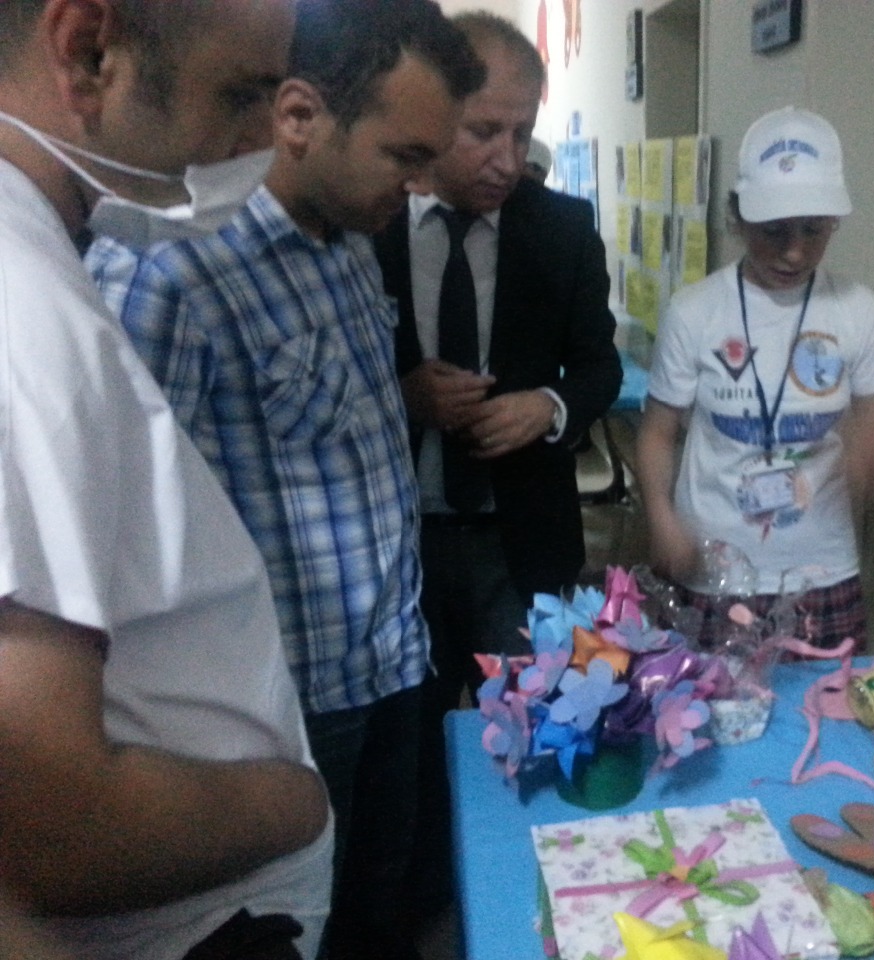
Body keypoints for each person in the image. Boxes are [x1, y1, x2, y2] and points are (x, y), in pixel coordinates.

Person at [86, 3, 485, 957]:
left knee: (382, 913)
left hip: (391, 662)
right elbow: (116, 547)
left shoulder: (347, 245)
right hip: (283, 712)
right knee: (302, 931)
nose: (420, 187)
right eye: (404, 156)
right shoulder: (165, 273)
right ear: (300, 116)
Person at [0, 2, 335, 959]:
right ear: (87, 53)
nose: (261, 143)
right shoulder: (20, 316)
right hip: (193, 929)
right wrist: (296, 802)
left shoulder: (39, 261)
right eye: (239, 95)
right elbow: (58, 827)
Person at [372, 9, 621, 922]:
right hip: (399, 537)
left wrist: (549, 407)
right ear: (435, 117)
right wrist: (404, 394)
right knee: (412, 738)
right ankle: (430, 904)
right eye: (483, 131)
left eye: (522, 133)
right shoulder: (366, 226)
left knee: (531, 727)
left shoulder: (562, 229)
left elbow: (600, 367)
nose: (507, 159)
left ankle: (538, 902)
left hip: (519, 537)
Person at [637, 106, 874, 651]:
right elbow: (657, 433)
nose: (794, 251)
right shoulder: (694, 311)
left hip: (821, 569)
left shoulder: (860, 311)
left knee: (825, 700)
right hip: (713, 565)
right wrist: (661, 518)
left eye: (814, 230)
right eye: (774, 232)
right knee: (709, 702)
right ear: (737, 218)